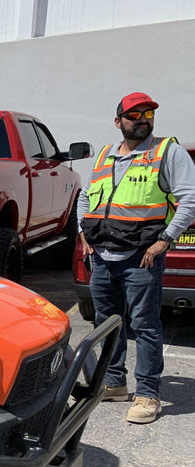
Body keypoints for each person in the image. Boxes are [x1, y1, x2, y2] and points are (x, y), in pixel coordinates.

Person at [78, 92, 195, 424]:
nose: (142, 120)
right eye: (134, 115)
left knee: (145, 326)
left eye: (148, 114)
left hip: (141, 257)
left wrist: (165, 240)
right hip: (103, 257)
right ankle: (114, 382)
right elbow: (86, 195)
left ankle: (148, 393)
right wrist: (81, 231)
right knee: (107, 323)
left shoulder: (166, 152)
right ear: (118, 121)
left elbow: (189, 199)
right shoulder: (105, 155)